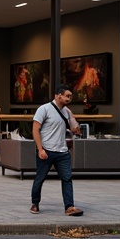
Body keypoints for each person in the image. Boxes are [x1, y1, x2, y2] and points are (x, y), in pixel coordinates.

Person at [30, 84, 84, 216]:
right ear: (58, 95)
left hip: (62, 152)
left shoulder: (66, 112)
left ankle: (69, 207)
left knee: (67, 178)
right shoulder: (44, 109)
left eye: (71, 96)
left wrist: (73, 120)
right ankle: (35, 203)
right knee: (40, 178)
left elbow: (75, 130)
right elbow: (35, 130)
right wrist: (40, 149)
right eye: (67, 96)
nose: (69, 99)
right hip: (47, 150)